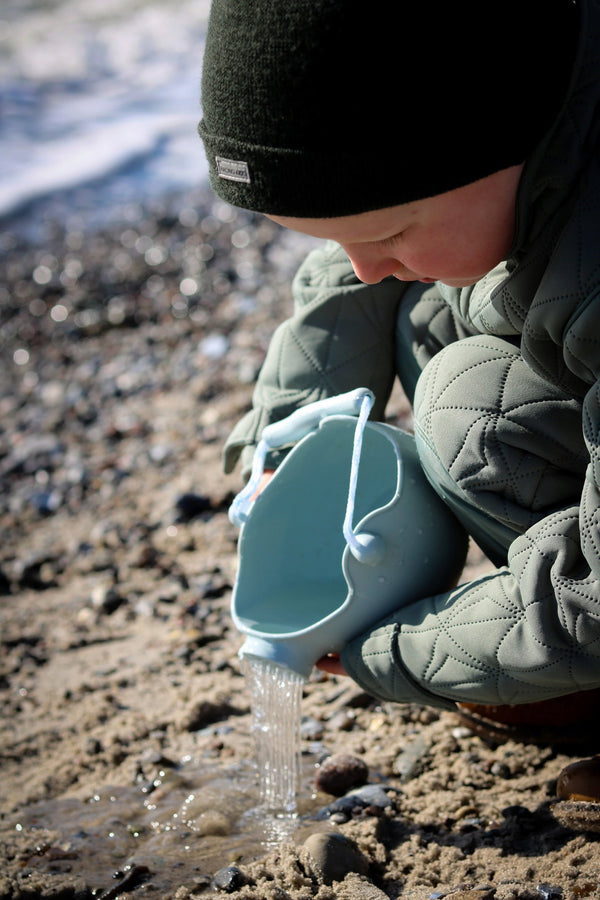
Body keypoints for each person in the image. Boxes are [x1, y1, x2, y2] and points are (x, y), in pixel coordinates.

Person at [198, 0, 600, 811]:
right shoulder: (531, 138)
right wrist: (285, 447)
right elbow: (347, 280)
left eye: (387, 232)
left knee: (464, 410)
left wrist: (396, 651)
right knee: (428, 319)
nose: (363, 266)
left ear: (495, 134)